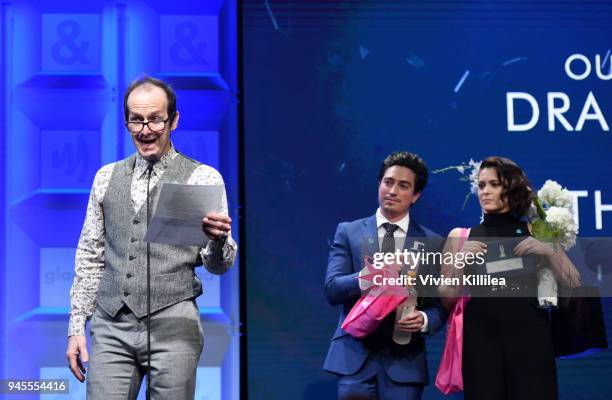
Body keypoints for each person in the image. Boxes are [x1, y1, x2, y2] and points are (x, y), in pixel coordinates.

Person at [65, 76, 237, 399]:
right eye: (136, 120)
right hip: (112, 324)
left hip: (174, 326)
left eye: (155, 119)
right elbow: (90, 256)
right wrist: (76, 326)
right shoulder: (106, 178)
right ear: (127, 122)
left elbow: (218, 265)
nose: (145, 129)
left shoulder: (201, 178)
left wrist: (216, 241)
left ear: (173, 120)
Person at [439, 156, 581, 400]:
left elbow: (574, 283)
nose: (485, 191)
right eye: (481, 185)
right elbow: (446, 300)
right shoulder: (460, 236)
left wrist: (548, 252)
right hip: (480, 344)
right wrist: (460, 261)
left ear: (511, 186)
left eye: (494, 184)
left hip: (530, 341)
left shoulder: (538, 231)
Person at [324, 151, 447, 400]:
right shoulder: (349, 232)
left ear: (416, 195)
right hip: (354, 360)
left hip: (404, 363)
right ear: (379, 184)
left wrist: (423, 319)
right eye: (388, 182)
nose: (392, 191)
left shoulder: (432, 242)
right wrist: (371, 275)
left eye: (403, 186)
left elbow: (439, 307)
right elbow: (332, 289)